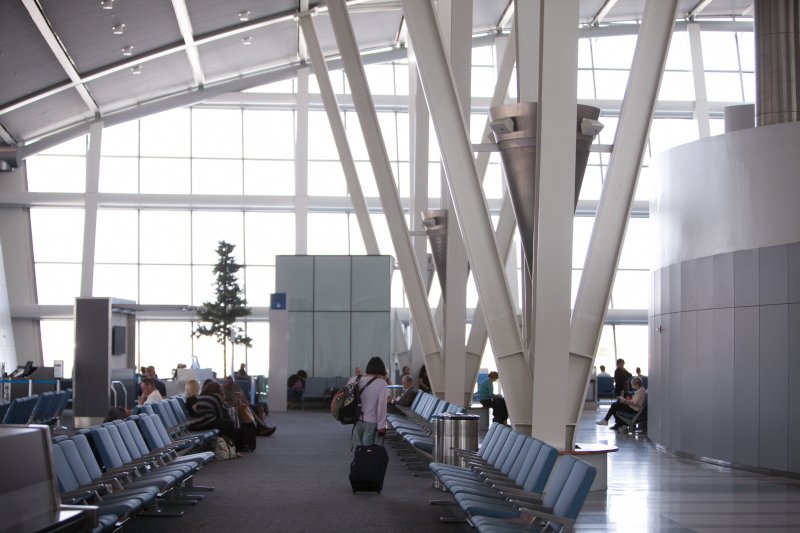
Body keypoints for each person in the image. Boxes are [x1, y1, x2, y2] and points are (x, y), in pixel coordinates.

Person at [192, 381, 239, 452]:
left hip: (198, 424)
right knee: (229, 423)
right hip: (207, 423)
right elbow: (220, 414)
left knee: (225, 423)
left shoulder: (201, 397)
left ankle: (227, 448)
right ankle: (234, 450)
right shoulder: (216, 396)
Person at [355, 357, 388, 447]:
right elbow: (381, 406)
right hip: (371, 422)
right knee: (368, 451)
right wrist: (381, 424)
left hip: (358, 420)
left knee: (360, 448)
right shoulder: (382, 384)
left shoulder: (357, 379)